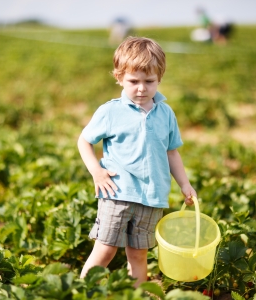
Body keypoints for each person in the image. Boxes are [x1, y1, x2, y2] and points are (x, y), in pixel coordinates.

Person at [78, 37, 197, 287]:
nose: (141, 88)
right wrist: (96, 172)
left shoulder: (166, 113)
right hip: (117, 193)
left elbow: (172, 152)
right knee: (106, 249)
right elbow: (84, 141)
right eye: (133, 81)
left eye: (149, 81)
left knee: (138, 255)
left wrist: (185, 185)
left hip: (152, 197)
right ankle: (81, 292)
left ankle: (137, 295)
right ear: (119, 77)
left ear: (159, 79)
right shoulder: (111, 111)